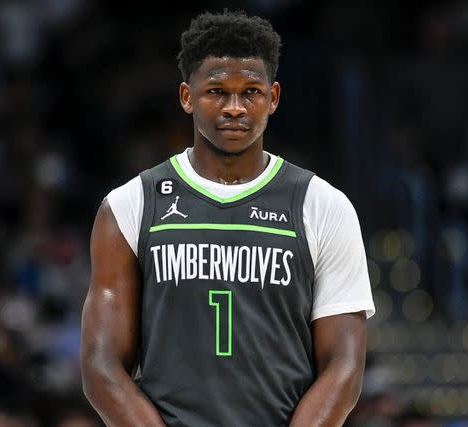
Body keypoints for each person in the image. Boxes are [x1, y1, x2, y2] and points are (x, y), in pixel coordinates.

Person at [81, 10, 375, 427]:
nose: (235, 107)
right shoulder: (130, 206)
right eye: (217, 91)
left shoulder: (324, 206)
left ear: (273, 98)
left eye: (251, 91)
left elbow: (343, 369)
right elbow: (102, 367)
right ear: (187, 97)